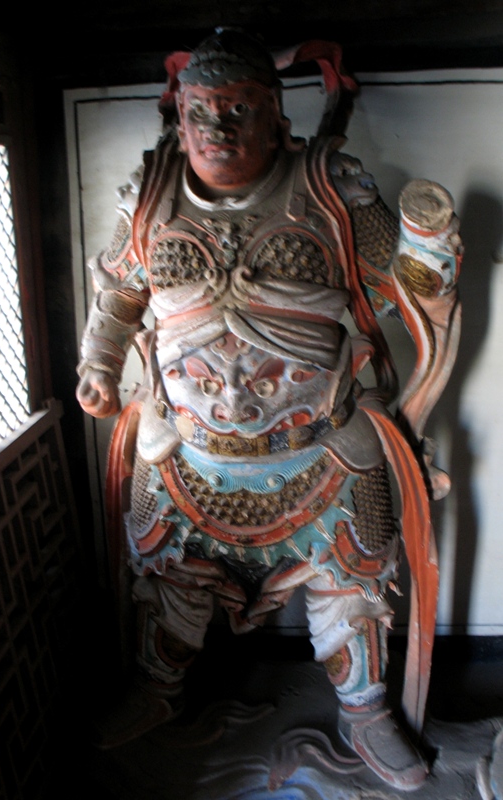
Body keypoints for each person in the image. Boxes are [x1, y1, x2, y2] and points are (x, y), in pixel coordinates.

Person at [76, 29, 462, 791]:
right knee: (166, 574)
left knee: (354, 578)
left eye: (240, 109)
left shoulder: (330, 188)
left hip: (323, 447)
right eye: (203, 112)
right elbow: (118, 295)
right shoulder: (149, 195)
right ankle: (156, 690)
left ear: (277, 118)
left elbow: (404, 287)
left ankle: (364, 709)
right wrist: (98, 363)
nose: (220, 130)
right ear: (179, 120)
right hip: (185, 448)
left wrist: (428, 243)